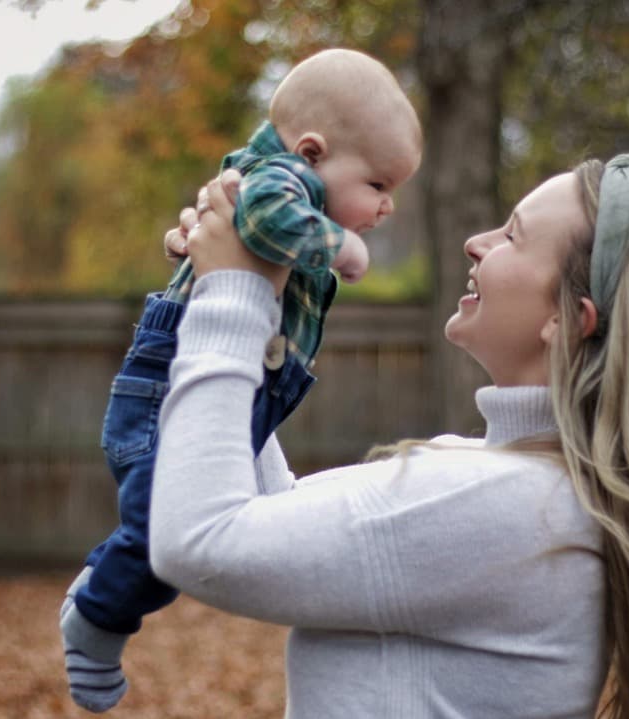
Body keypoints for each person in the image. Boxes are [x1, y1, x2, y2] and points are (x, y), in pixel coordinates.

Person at [148, 155, 629, 717]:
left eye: (512, 236)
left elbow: (201, 540)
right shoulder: (525, 493)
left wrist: (232, 297)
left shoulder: (513, 507)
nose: (476, 242)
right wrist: (237, 295)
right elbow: (272, 518)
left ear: (566, 319)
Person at [59, 48, 423, 713]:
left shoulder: (271, 176)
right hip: (174, 381)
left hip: (235, 388)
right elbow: (264, 214)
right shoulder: (287, 183)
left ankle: (99, 581)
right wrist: (341, 247)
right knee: (166, 539)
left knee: (195, 533)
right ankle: (96, 618)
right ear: (313, 153)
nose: (387, 205)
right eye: (377, 185)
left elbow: (233, 214)